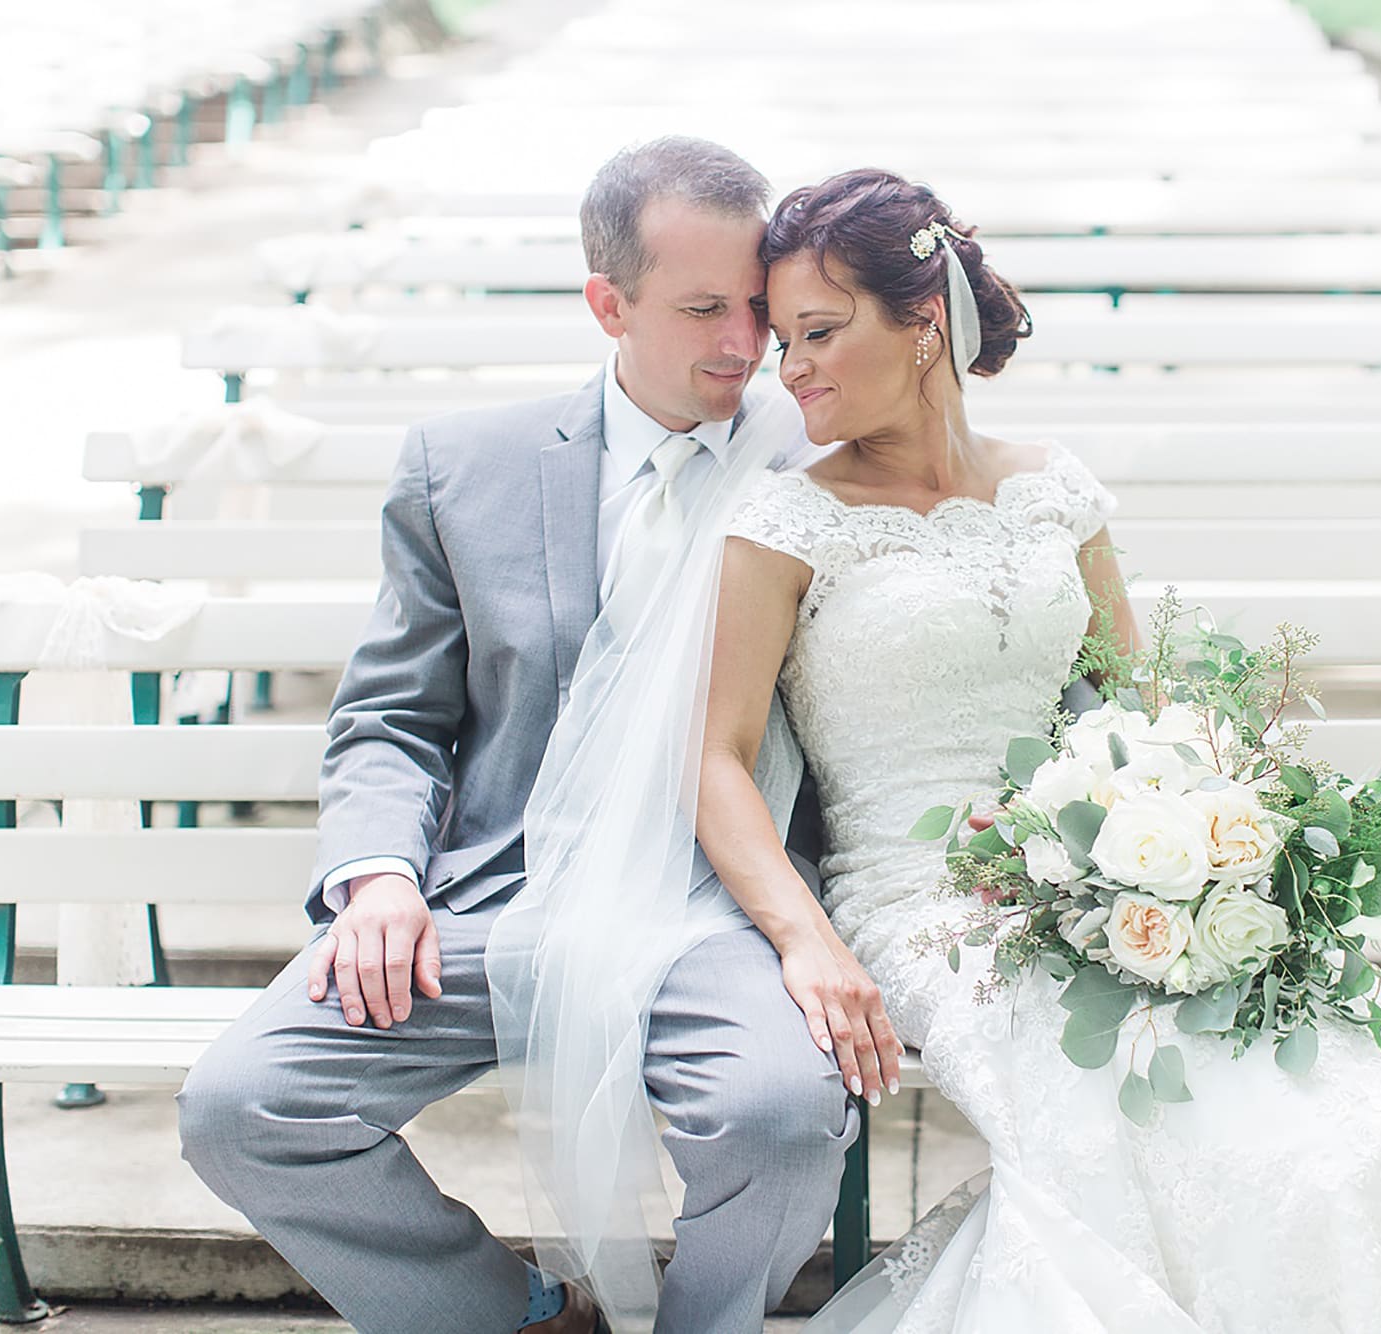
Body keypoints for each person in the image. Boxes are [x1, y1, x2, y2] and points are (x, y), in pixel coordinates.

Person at [691, 168, 1381, 1332]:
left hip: (1111, 871)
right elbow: (715, 758)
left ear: (922, 324)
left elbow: (1148, 708)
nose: (791, 368)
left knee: (1369, 1104)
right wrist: (804, 938)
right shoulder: (783, 520)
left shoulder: (1050, 490)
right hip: (928, 907)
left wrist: (1210, 852)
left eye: (818, 332)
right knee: (1196, 1136)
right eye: (781, 340)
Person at [175, 138, 857, 1334]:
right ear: (608, 301)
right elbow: (392, 714)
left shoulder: (828, 468)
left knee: (782, 1113)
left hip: (719, 905)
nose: (745, 346)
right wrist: (381, 873)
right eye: (702, 308)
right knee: (243, 1105)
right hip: (493, 896)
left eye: (758, 307)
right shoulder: (462, 466)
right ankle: (515, 1318)